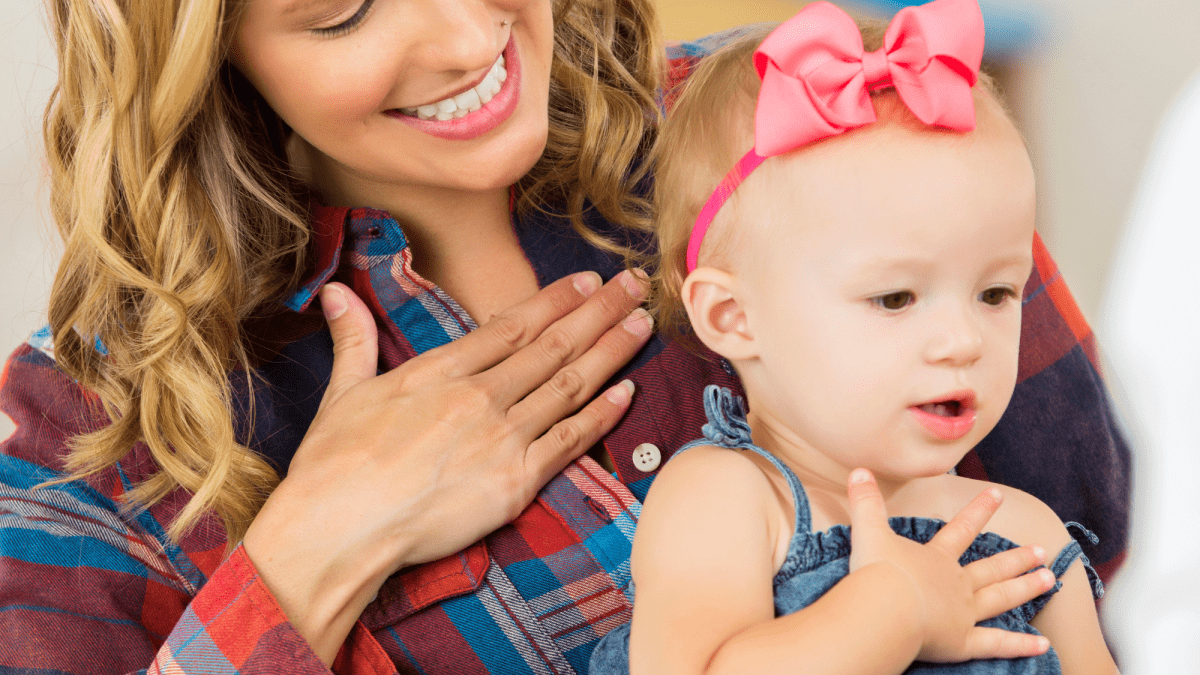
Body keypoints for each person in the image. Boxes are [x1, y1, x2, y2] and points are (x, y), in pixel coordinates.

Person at [0, 0, 1126, 672]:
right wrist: (312, 549)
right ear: (204, 41)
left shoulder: (803, 128)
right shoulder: (103, 426)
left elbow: (1111, 564)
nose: (465, 35)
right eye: (343, 8)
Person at [589, 2, 1119, 673]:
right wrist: (893, 611)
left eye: (995, 293)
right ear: (732, 317)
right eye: (895, 297)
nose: (962, 339)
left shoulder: (1024, 533)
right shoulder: (731, 500)